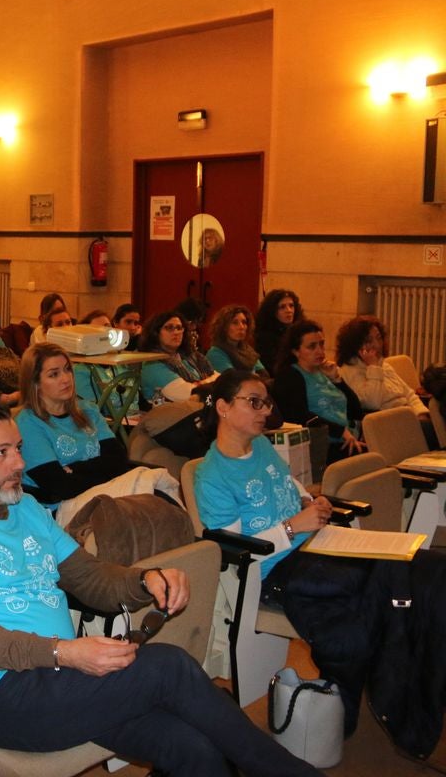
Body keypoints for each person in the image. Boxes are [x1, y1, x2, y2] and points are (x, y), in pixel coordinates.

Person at [0, 400, 319, 776]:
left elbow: (89, 577)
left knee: (193, 749)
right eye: (2, 453)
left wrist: (144, 580)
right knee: (169, 667)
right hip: (4, 697)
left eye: (18, 448)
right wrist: (62, 652)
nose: (19, 463)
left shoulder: (25, 508)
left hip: (65, 678)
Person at [196, 369, 446, 745]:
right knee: (390, 576)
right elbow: (237, 548)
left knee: (429, 568)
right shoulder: (211, 475)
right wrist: (294, 527)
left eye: (266, 402)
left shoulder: (261, 445)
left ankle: (422, 680)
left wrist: (312, 500)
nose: (265, 410)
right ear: (223, 407)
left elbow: (287, 484)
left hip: (317, 544)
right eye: (253, 401)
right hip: (276, 570)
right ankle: (402, 694)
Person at [16, 344, 139, 516]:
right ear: (35, 383)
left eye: (67, 370)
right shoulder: (28, 423)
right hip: (58, 509)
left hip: (104, 494)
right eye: (54, 374)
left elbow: (118, 460)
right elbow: (59, 486)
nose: (66, 379)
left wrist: (74, 468)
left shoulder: (87, 409)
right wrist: (102, 470)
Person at [272, 319, 365, 462]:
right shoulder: (290, 376)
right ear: (296, 351)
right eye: (312, 346)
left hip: (346, 438)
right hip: (320, 444)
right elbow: (300, 416)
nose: (320, 351)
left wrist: (337, 380)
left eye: (321, 344)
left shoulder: (323, 371)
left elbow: (356, 411)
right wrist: (340, 431)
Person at [336, 315, 435, 445]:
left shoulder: (385, 365)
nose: (377, 345)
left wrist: (421, 413)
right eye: (368, 341)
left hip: (409, 418)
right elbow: (372, 403)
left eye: (378, 338)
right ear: (355, 345)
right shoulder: (349, 371)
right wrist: (373, 368)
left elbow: (409, 394)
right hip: (387, 424)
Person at [138, 311, 217, 407]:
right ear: (156, 332)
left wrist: (200, 384)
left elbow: (220, 378)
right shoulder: (153, 364)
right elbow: (188, 394)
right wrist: (208, 383)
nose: (176, 332)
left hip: (199, 411)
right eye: (169, 328)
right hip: (169, 418)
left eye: (179, 328)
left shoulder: (188, 356)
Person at [205, 304, 268, 377]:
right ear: (223, 327)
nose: (241, 327)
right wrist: (253, 376)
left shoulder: (247, 350)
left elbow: (264, 375)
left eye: (244, 322)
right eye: (235, 323)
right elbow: (234, 379)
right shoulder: (215, 353)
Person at [256, 289, 303, 374]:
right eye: (282, 307)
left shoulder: (300, 332)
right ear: (272, 311)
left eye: (291, 306)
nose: (289, 310)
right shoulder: (265, 337)